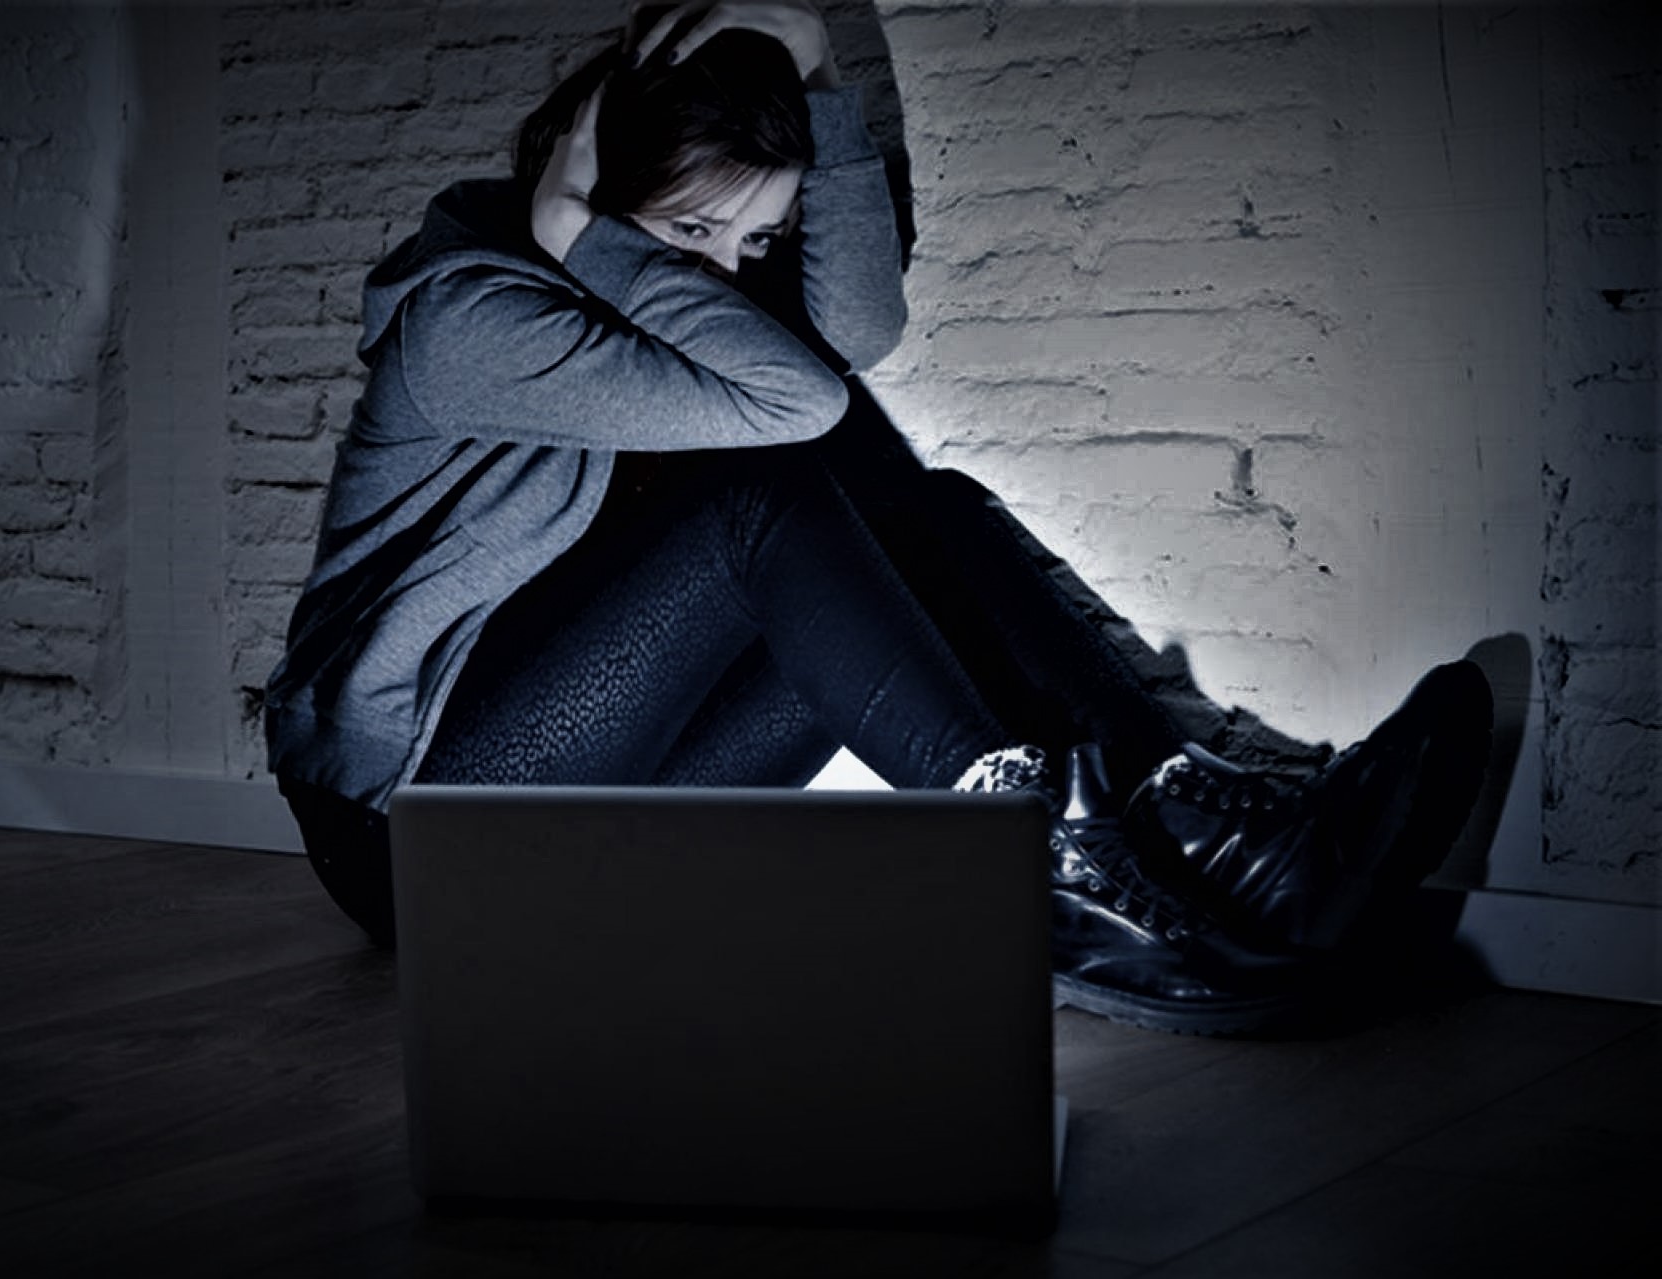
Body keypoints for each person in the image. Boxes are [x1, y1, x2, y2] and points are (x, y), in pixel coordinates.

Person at [264, 1, 1493, 1036]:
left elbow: (856, 333)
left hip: (586, 808)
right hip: (417, 839)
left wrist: (819, 69)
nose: (720, 273)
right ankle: (1036, 865)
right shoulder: (467, 318)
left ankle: (1207, 828)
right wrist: (583, 236)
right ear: (590, 192)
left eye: (756, 239)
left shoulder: (680, 309)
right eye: (687, 231)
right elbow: (801, 399)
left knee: (923, 514)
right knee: (768, 491)